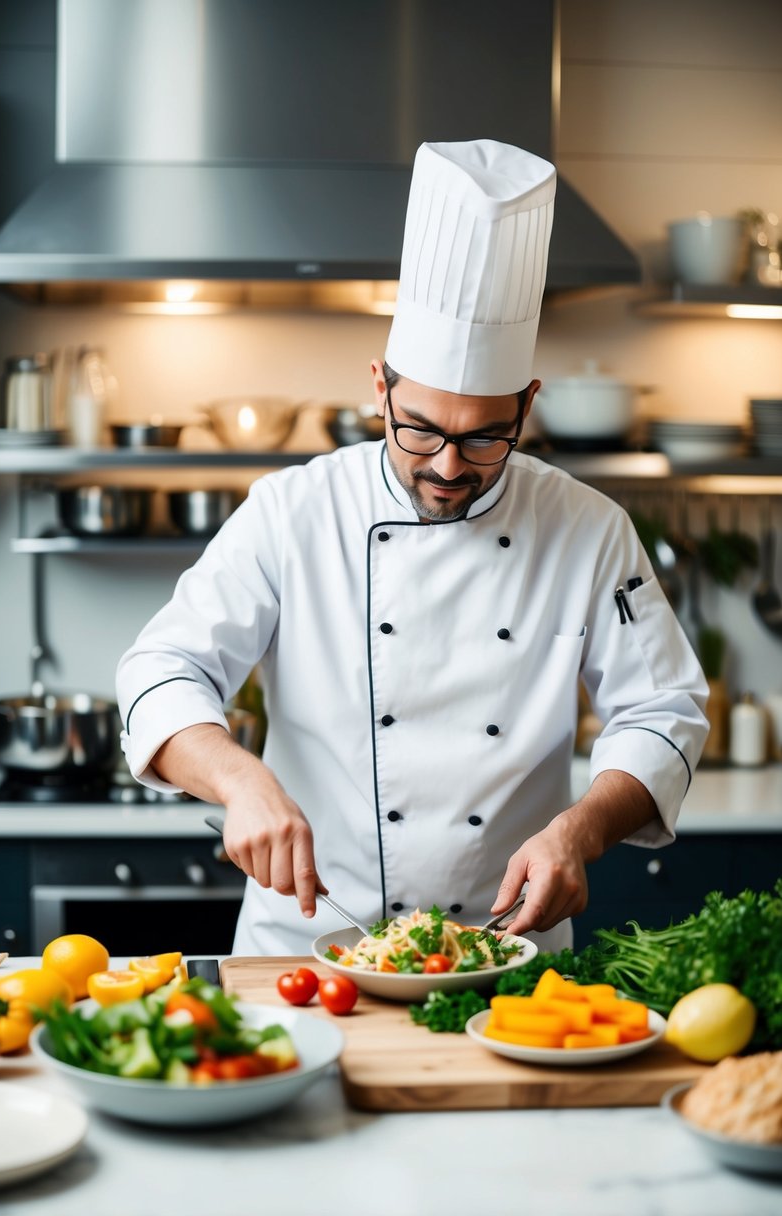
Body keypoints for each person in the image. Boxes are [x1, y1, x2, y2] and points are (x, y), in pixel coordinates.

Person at [116, 140, 709, 956]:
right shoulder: (294, 509)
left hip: (506, 948)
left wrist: (580, 832)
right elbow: (161, 670)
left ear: (527, 405)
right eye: (419, 429)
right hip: (309, 943)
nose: (446, 464)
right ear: (378, 387)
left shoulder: (588, 528)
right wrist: (239, 780)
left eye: (484, 437)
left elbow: (663, 711)